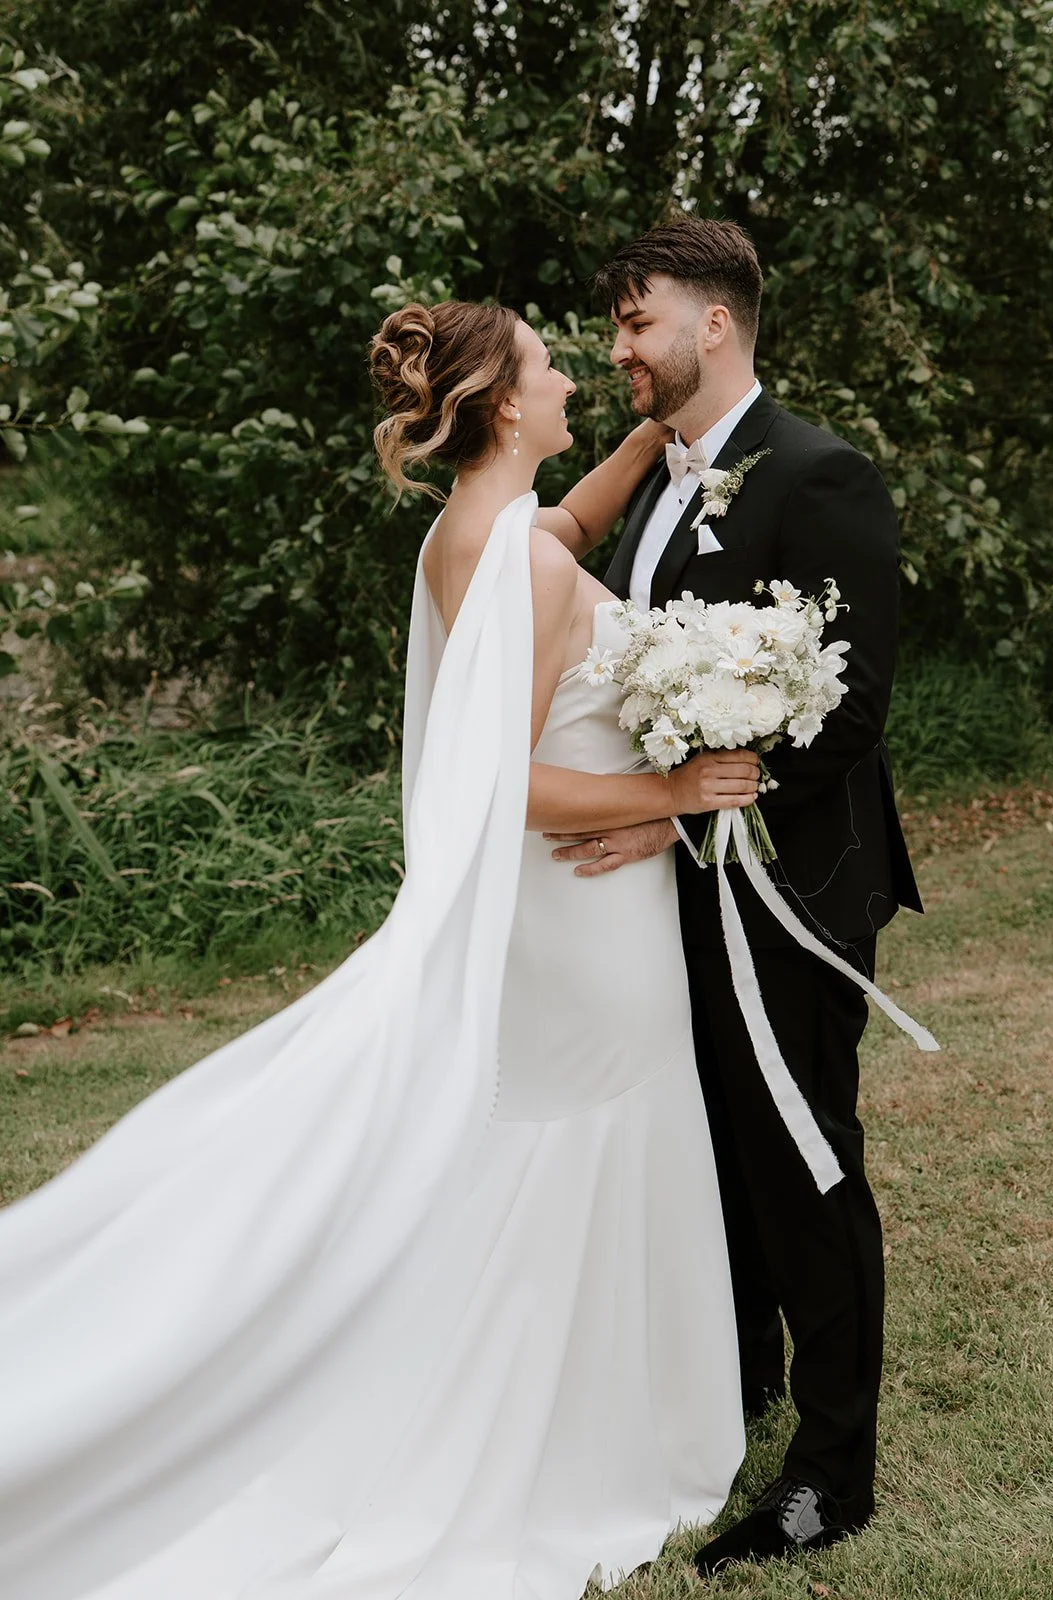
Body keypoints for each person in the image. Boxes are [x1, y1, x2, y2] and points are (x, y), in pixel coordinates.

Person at [0, 298, 759, 1600]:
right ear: (507, 406)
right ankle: (570, 1442)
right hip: (582, 915)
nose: (576, 374)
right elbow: (500, 783)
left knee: (549, 1153)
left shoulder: (471, 532)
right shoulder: (512, 557)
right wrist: (676, 794)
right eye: (548, 366)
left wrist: (648, 441)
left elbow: (563, 535)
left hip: (549, 920)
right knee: (586, 1146)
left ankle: (580, 1416)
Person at [547, 216, 923, 1573]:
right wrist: (659, 808)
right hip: (668, 895)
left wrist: (704, 800)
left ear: (712, 324)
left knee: (799, 1159)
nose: (618, 351)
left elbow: (849, 713)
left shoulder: (820, 475)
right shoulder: (659, 485)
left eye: (634, 322)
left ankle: (831, 1474)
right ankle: (742, 1394)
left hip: (789, 889)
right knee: (711, 1155)